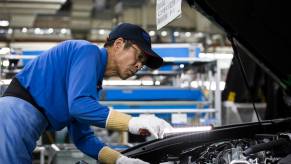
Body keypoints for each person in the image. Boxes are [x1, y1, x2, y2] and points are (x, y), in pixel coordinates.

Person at [0, 23, 172, 164]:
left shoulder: (91, 82)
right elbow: (79, 107)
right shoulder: (87, 52)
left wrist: (121, 160)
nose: (139, 65)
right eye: (139, 56)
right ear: (119, 44)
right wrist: (132, 122)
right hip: (15, 117)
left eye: (143, 63)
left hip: (23, 123)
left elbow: (83, 138)